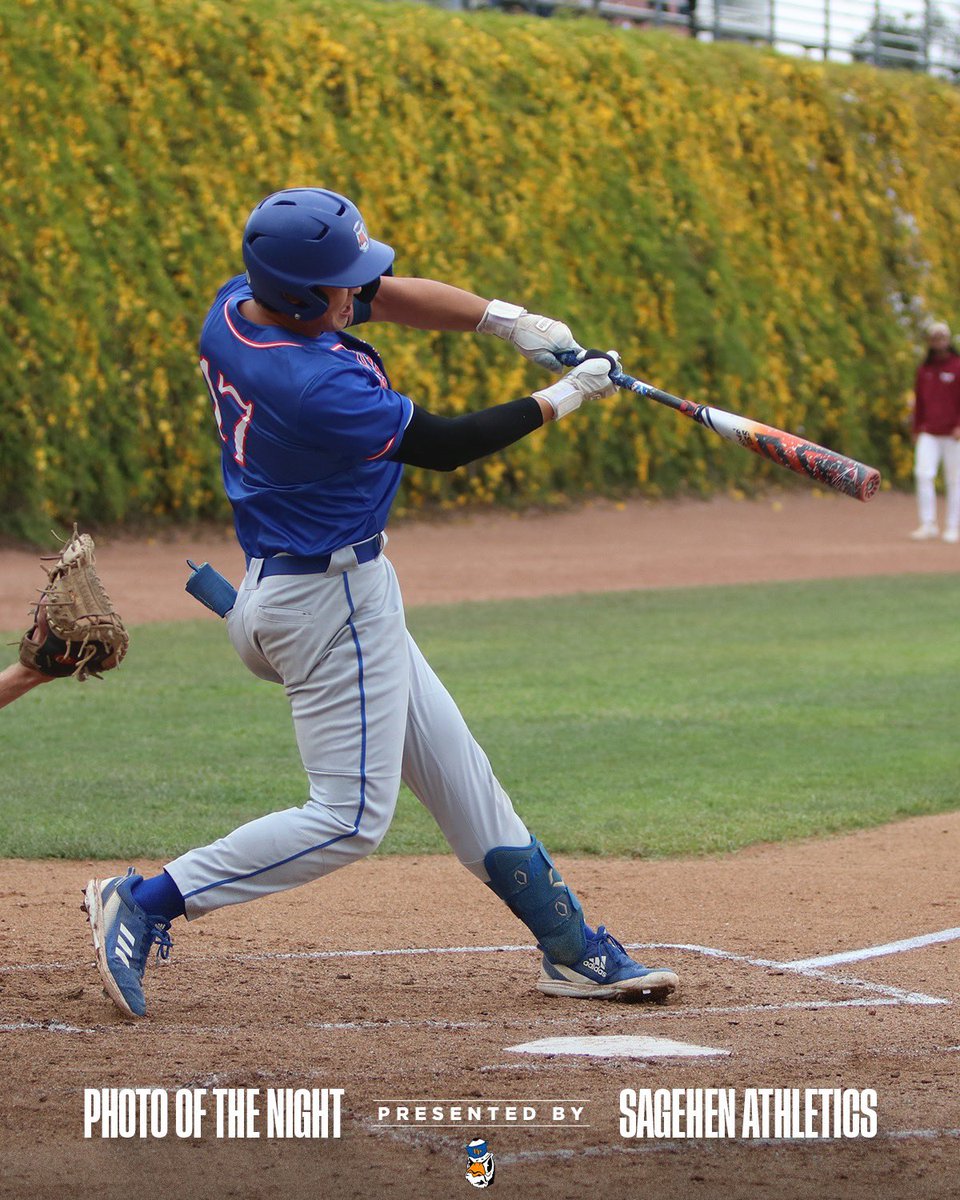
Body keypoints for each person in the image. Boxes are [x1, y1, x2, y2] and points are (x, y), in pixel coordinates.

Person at [82, 187, 680, 1018]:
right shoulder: (314, 383)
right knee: (350, 817)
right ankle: (145, 901)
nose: (359, 292)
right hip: (330, 608)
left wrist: (511, 322)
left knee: (459, 774)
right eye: (340, 284)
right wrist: (567, 395)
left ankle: (572, 949)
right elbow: (441, 445)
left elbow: (379, 295)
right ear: (300, 293)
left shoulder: (238, 307)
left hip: (295, 591)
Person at [910, 320, 960, 543]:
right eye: (935, 338)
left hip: (953, 433)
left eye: (942, 338)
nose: (939, 342)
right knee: (923, 474)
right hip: (929, 431)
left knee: (954, 480)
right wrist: (916, 427)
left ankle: (952, 526)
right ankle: (928, 523)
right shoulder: (924, 370)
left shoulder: (957, 366)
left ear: (948, 340)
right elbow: (919, 402)